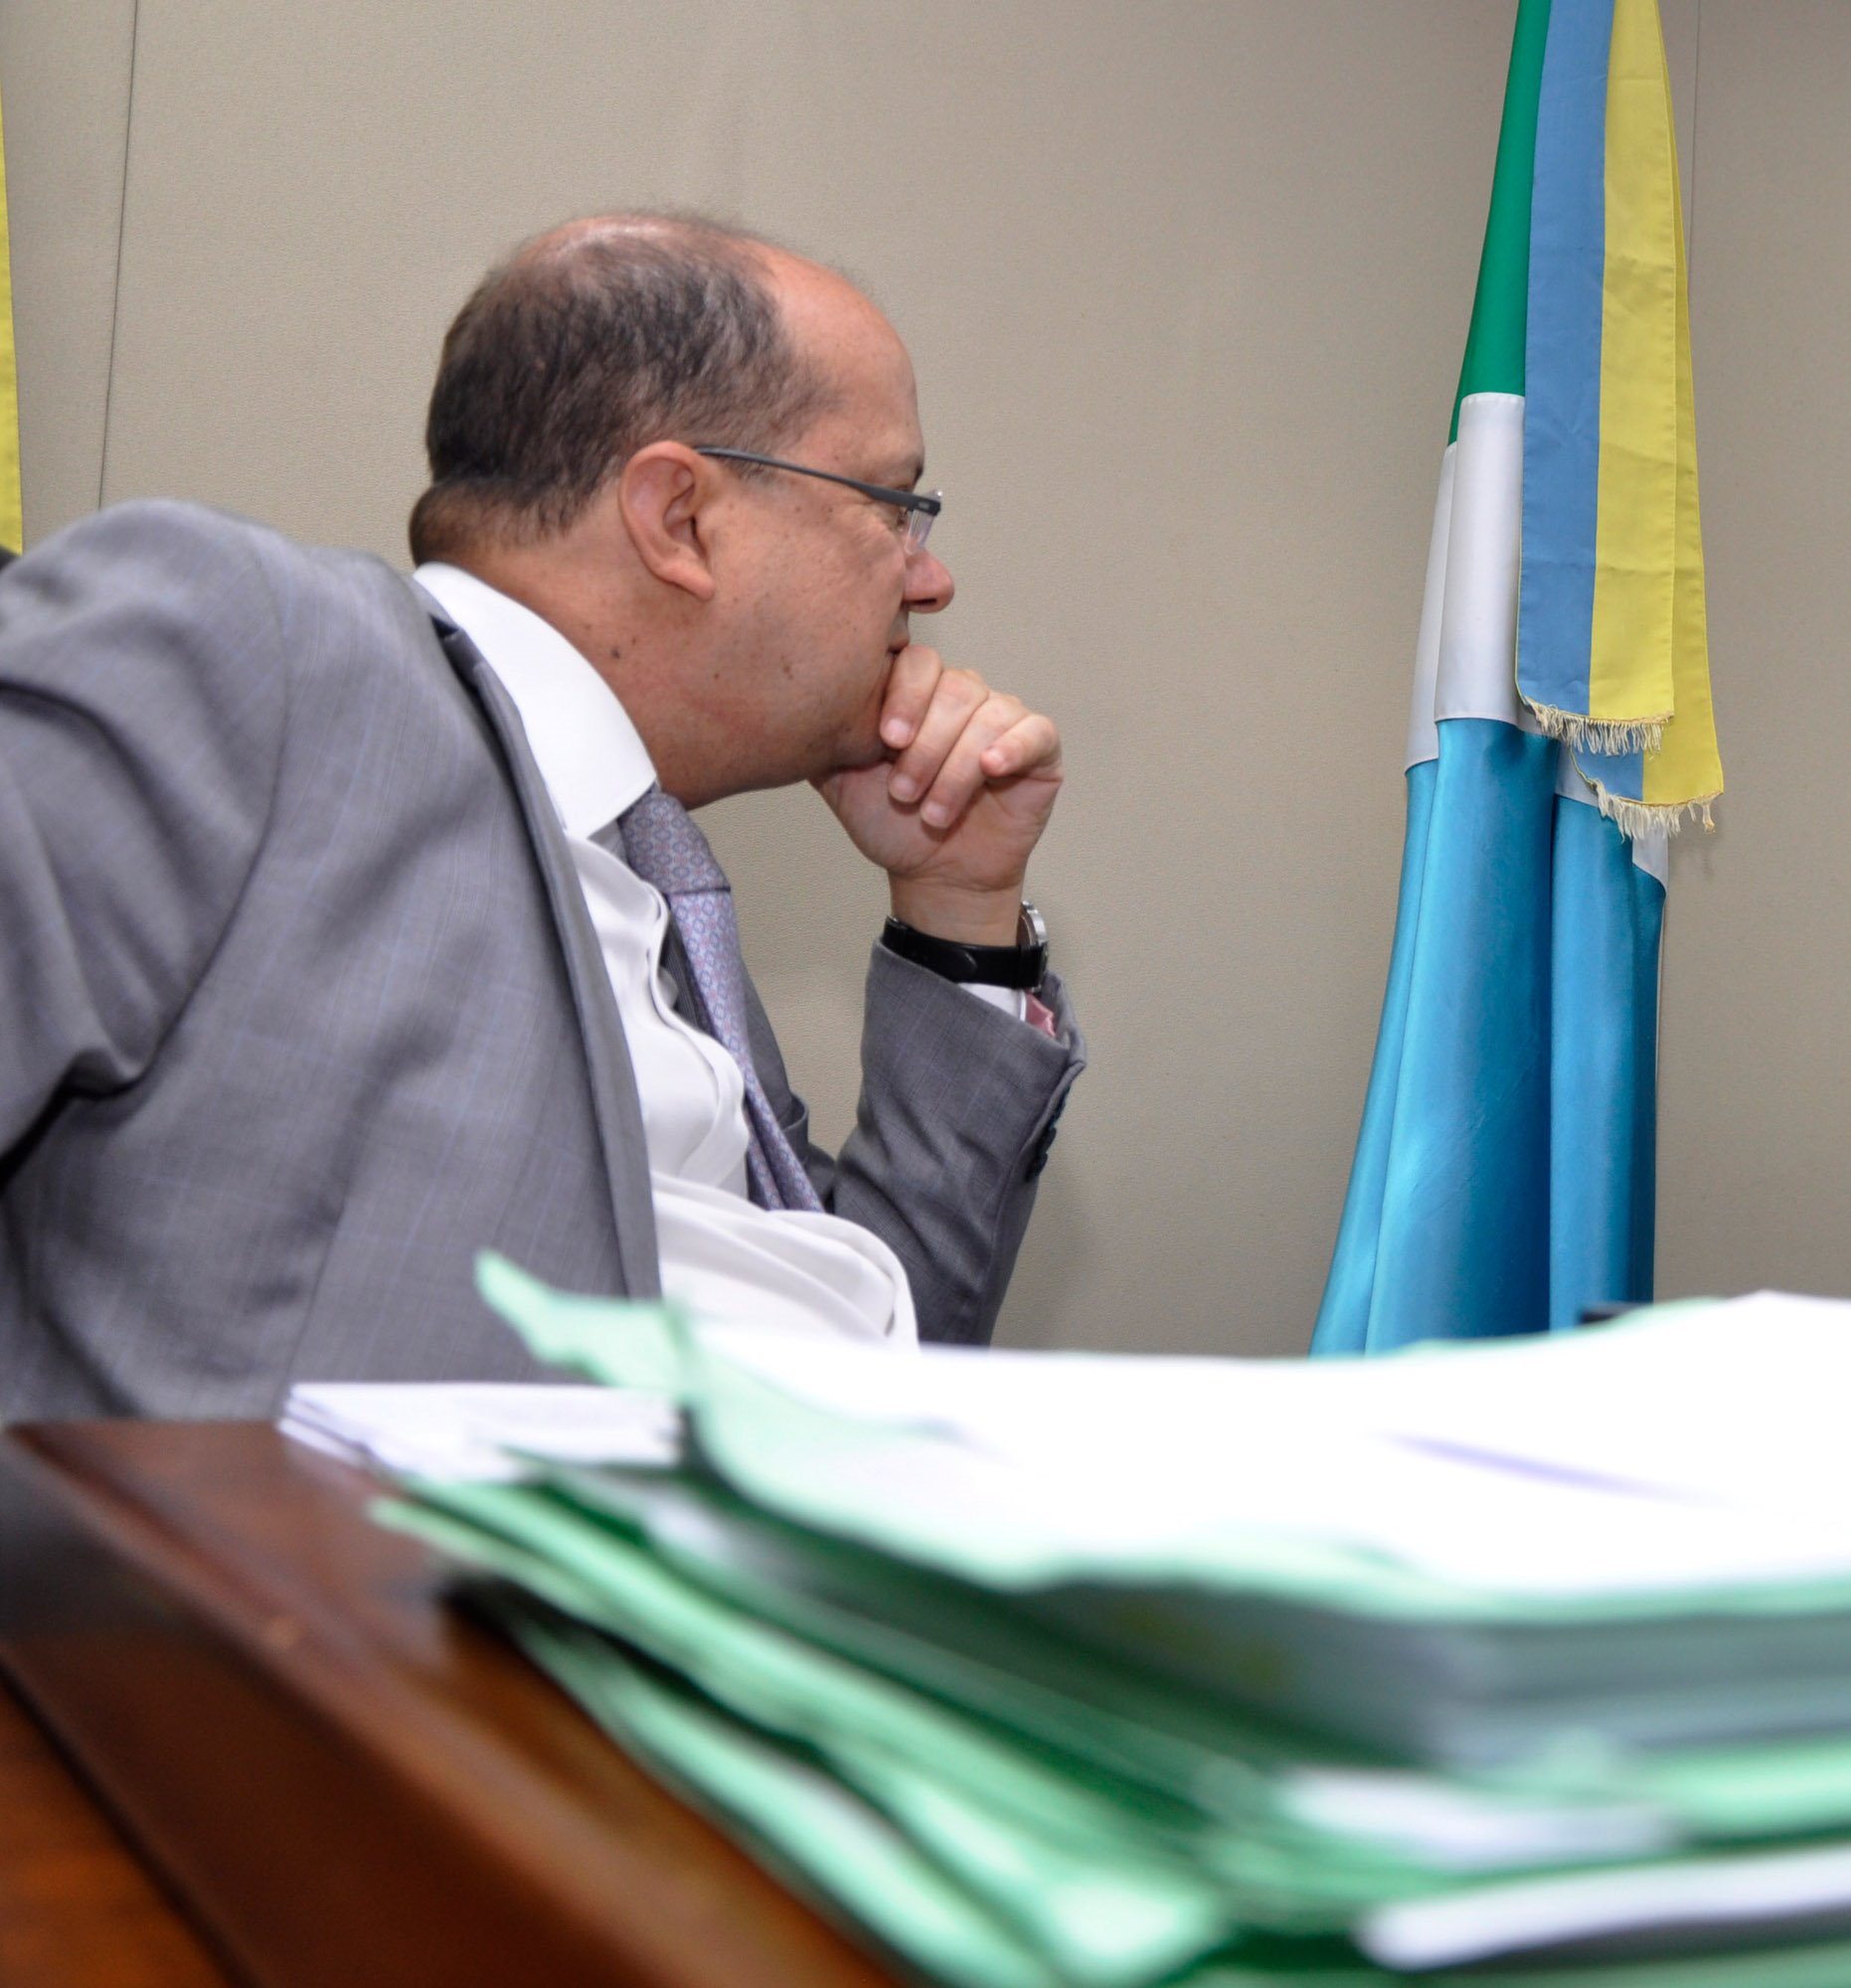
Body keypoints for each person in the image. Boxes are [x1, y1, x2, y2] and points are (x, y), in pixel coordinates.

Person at [0, 214, 1082, 1419]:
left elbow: (878, 1369)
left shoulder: (672, 918)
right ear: (679, 517)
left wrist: (959, 912)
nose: (930, 577)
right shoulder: (247, 652)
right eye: (892, 505)